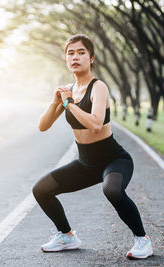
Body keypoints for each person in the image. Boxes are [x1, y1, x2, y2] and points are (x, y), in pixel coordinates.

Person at [32, 33, 153, 260]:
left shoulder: (98, 87)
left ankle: (143, 240)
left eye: (81, 52)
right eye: (70, 53)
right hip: (85, 163)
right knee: (40, 190)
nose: (75, 57)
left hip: (113, 159)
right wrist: (56, 101)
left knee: (112, 190)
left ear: (92, 58)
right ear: (66, 59)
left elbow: (96, 124)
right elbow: (43, 126)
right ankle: (67, 235)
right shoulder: (67, 91)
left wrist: (69, 103)